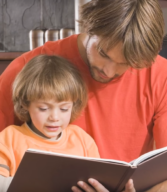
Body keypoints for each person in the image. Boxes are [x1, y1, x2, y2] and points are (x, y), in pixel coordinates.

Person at [0, 0, 167, 191]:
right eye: (103, 53)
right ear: (89, 26)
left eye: (126, 63)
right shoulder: (26, 72)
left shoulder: (165, 78)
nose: (109, 71)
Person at [0, 55, 103, 191]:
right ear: (25, 103)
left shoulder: (82, 140)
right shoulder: (10, 138)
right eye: (43, 108)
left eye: (64, 109)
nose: (55, 117)